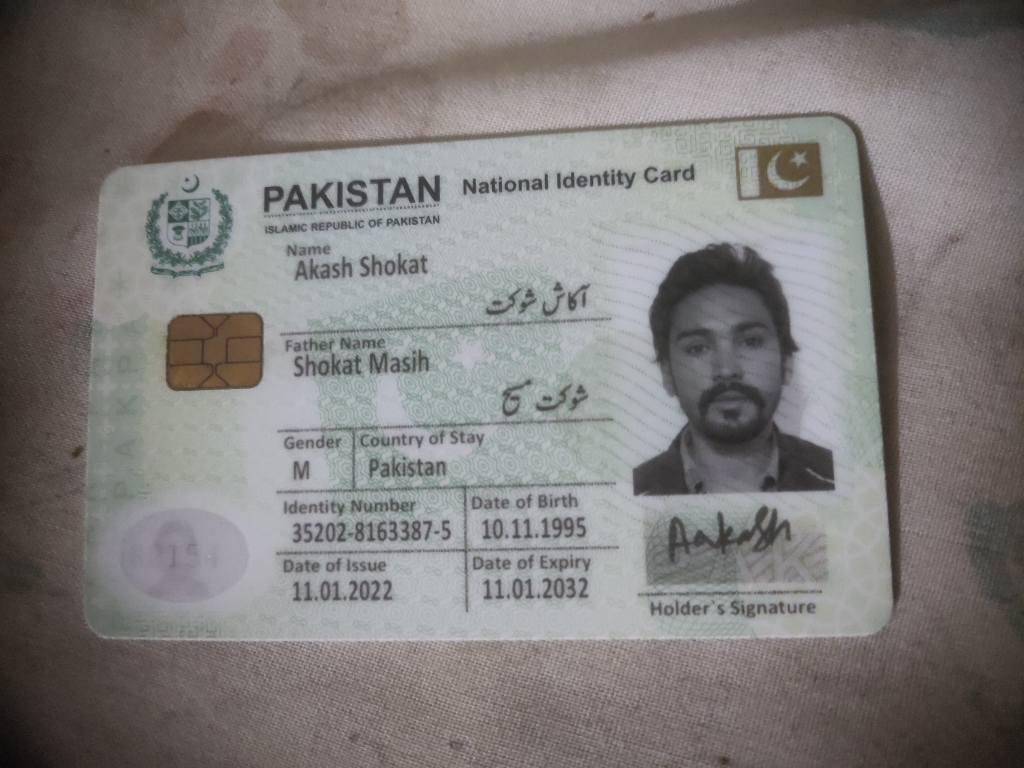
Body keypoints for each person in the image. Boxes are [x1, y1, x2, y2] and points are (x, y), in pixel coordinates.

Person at [633, 243, 834, 495]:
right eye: (697, 348)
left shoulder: (840, 478)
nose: (727, 369)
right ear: (667, 375)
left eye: (751, 342)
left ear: (786, 361)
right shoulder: (630, 494)